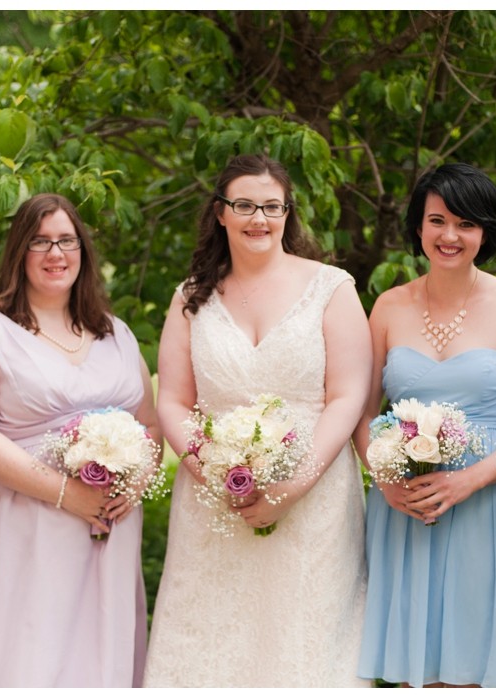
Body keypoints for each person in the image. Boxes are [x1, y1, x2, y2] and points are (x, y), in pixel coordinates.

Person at [143, 154, 372, 687]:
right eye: (244, 205)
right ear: (220, 213)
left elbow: (347, 395)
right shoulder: (191, 297)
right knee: (212, 640)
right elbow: (174, 401)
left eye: (272, 207)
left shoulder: (332, 288)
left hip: (315, 500)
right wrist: (212, 472)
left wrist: (294, 485)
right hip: (213, 502)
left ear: (289, 214)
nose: (259, 219)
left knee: (305, 639)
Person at [0, 193, 159, 687]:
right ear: (18, 252)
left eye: (67, 241)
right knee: (28, 654)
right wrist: (66, 494)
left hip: (107, 532)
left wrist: (137, 478)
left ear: (84, 251)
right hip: (18, 526)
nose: (56, 254)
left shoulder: (115, 333)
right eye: (40, 242)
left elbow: (152, 425)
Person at [356, 164, 496, 687]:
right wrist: (385, 479)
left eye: (465, 224)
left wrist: (471, 478)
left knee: (474, 664)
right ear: (418, 227)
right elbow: (360, 412)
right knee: (411, 667)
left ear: (484, 231)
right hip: (406, 502)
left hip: (488, 502)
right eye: (437, 220)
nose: (449, 236)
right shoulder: (387, 306)